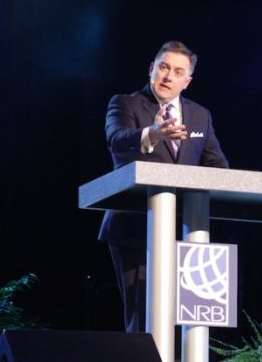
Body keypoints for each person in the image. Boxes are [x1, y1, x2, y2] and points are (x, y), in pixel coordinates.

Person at [98, 40, 229, 332]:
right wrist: (153, 133)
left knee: (190, 319)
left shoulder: (200, 115)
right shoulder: (125, 103)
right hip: (134, 227)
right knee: (144, 315)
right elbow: (116, 140)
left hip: (187, 230)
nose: (168, 76)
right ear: (151, 69)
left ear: (187, 81)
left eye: (177, 71)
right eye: (164, 67)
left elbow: (218, 166)